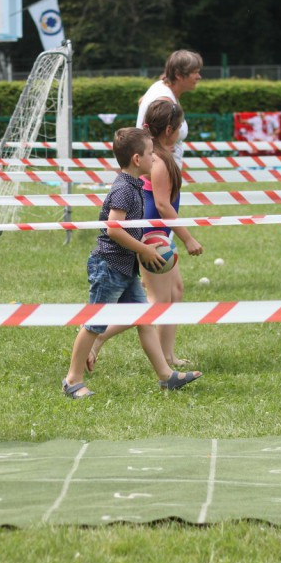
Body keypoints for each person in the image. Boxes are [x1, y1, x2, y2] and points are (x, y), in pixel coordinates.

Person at [61, 127, 202, 399]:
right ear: (137, 159)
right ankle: (72, 380)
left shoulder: (134, 185)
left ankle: (165, 376)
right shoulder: (125, 188)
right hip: (109, 266)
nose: (154, 158)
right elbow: (113, 229)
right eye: (151, 154)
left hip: (126, 269)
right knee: (94, 323)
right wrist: (144, 251)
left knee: (145, 320)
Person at [89, 100, 203, 369]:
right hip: (151, 238)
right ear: (168, 130)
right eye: (179, 126)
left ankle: (168, 355)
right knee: (154, 302)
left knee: (175, 291)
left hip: (160, 235)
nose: (181, 131)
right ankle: (97, 337)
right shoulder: (159, 161)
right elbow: (162, 205)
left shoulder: (161, 155)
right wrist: (188, 238)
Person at [135, 50, 203, 166]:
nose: (199, 77)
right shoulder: (164, 100)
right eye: (195, 72)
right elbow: (149, 132)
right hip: (160, 169)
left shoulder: (160, 86)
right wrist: (160, 150)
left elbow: (141, 102)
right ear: (179, 75)